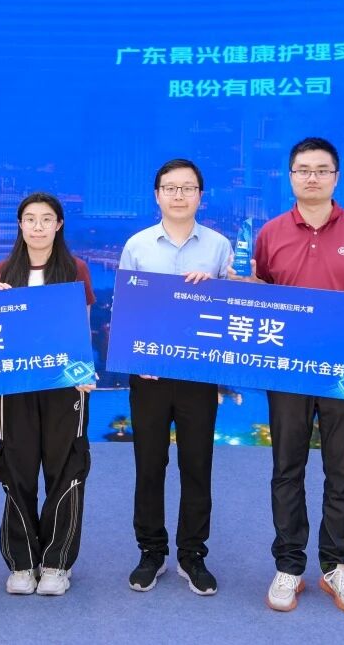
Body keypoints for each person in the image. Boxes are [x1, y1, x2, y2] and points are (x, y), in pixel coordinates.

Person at [254, 137, 344, 614]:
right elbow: (259, 301)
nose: (312, 177)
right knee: (286, 468)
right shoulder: (270, 233)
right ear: (290, 176)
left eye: (321, 170)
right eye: (303, 169)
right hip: (287, 370)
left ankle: (336, 566)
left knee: (342, 469)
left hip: (343, 372)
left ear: (336, 177)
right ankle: (289, 566)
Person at [118, 159, 232, 597]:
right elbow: (126, 309)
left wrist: (216, 287)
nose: (179, 195)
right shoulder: (138, 245)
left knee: (196, 465)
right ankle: (151, 551)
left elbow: (236, 309)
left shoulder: (219, 247)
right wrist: (135, 355)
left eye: (188, 188)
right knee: (149, 464)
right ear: (157, 195)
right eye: (171, 187)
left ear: (201, 195)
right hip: (149, 375)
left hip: (198, 376)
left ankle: (192, 553)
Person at [0, 193, 98, 597]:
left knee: (66, 468)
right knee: (15, 468)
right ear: (19, 225)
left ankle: (56, 562)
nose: (37, 226)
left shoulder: (75, 268)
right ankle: (21, 563)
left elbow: (83, 325)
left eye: (46, 219)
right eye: (30, 219)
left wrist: (82, 371)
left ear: (59, 225)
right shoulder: (3, 270)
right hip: (14, 386)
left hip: (64, 385)